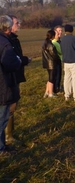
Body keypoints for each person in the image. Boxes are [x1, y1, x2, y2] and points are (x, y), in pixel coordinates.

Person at [5, 15, 32, 145]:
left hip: (16, 76)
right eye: (17, 23)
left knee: (13, 107)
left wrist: (23, 60)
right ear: (9, 25)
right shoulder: (6, 41)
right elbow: (11, 59)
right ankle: (8, 137)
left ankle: (9, 134)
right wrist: (25, 60)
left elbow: (18, 57)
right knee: (10, 107)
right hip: (9, 79)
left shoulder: (14, 39)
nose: (19, 25)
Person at [0, 15, 21, 156]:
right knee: (2, 118)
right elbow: (10, 63)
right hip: (3, 85)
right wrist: (19, 60)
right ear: (7, 28)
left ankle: (2, 146)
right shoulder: (4, 43)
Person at [61, 24, 75, 102]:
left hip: (66, 62)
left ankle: (67, 95)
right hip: (74, 61)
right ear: (72, 30)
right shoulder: (74, 38)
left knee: (67, 79)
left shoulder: (62, 39)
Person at [42, 30, 61, 98]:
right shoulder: (50, 45)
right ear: (53, 36)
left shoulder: (45, 43)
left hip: (47, 63)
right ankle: (50, 93)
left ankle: (47, 92)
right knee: (52, 79)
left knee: (50, 78)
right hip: (52, 64)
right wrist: (59, 58)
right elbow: (54, 55)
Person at [53, 25, 63, 93]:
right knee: (56, 75)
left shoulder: (59, 41)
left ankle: (57, 87)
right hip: (55, 61)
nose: (60, 32)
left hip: (59, 60)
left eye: (61, 30)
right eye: (59, 30)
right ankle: (55, 89)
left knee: (59, 74)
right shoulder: (54, 41)